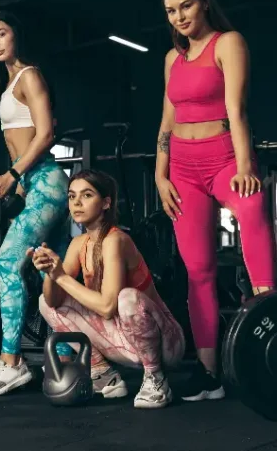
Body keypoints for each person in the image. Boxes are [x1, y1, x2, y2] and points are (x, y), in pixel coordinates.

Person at [154, 0, 277, 402]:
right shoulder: (173, 59)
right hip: (183, 169)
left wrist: (246, 165)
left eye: (186, 5)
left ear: (203, 3)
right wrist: (160, 173)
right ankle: (209, 375)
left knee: (254, 208)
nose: (180, 16)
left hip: (224, 155)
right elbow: (167, 122)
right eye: (171, 11)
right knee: (198, 271)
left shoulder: (228, 43)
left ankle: (271, 328)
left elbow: (236, 109)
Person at [0, 10, 72, 397]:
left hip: (45, 181)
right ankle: (80, 362)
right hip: (35, 186)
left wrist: (13, 176)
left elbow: (46, 134)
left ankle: (10, 363)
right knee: (55, 275)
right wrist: (17, 185)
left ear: (17, 36)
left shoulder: (29, 75)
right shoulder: (9, 81)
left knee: (6, 262)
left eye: (2, 34)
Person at [30, 170, 185, 409]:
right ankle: (103, 373)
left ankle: (156, 378)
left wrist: (61, 276)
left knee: (127, 298)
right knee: (44, 300)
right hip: (122, 341)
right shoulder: (78, 244)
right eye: (72, 197)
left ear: (106, 202)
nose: (77, 203)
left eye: (87, 195)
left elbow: (107, 306)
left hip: (166, 345)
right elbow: (53, 303)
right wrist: (51, 273)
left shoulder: (116, 240)